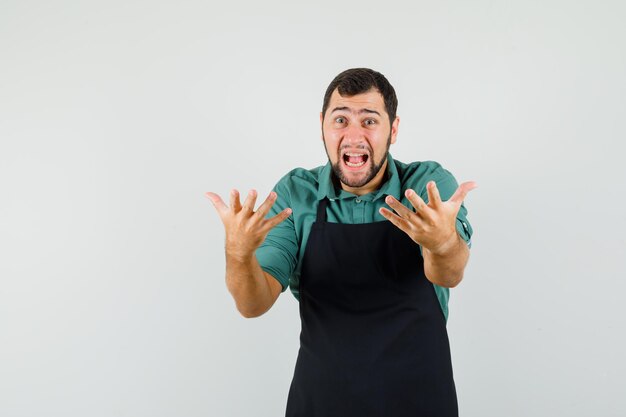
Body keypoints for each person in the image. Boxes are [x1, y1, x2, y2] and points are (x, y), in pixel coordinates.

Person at [206, 68, 476, 417]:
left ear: (393, 130)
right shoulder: (295, 194)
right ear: (322, 125)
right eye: (340, 120)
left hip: (419, 399)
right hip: (321, 401)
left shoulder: (426, 185)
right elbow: (252, 304)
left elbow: (448, 274)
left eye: (369, 121)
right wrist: (239, 254)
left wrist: (441, 244)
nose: (353, 135)